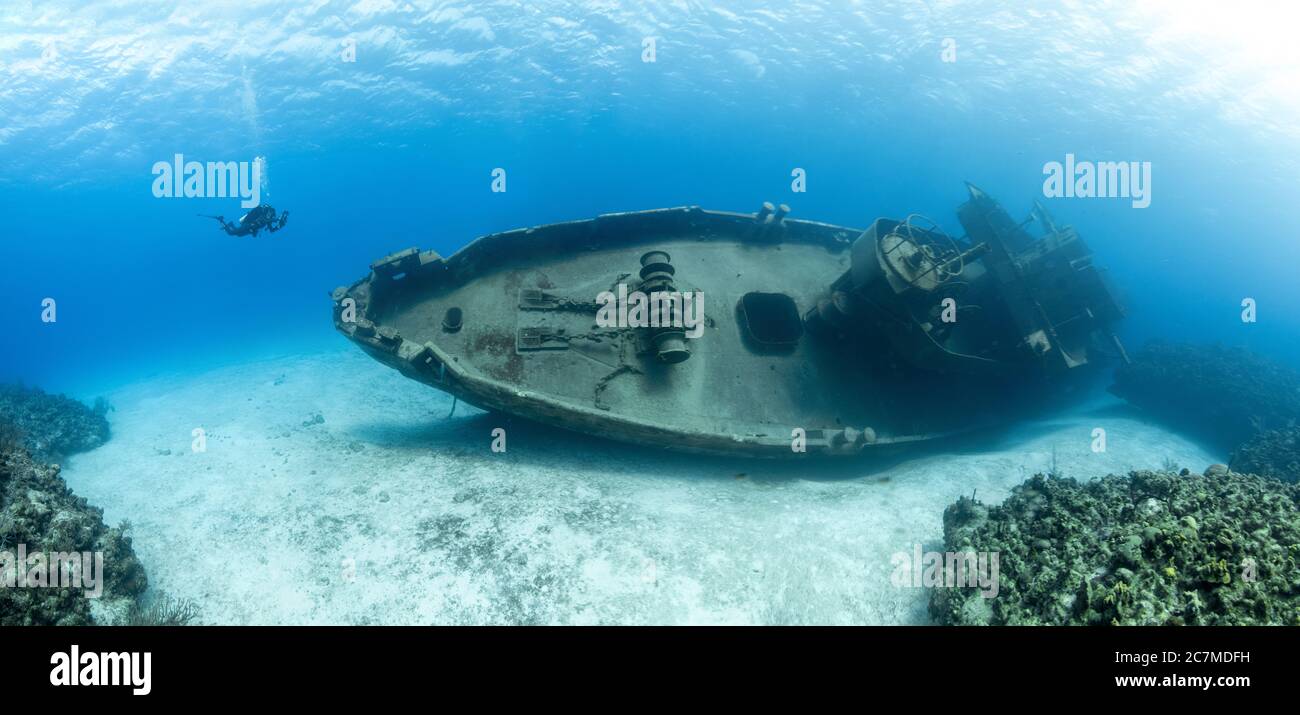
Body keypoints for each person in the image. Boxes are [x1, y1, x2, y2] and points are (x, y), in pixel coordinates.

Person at [202, 204, 289, 237]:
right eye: (271, 214)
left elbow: (271, 230)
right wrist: (277, 219)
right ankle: (221, 220)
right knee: (232, 233)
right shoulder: (263, 213)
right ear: (269, 211)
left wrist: (280, 225)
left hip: (252, 228)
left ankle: (230, 224)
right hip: (249, 224)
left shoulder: (269, 218)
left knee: (238, 235)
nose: (271, 216)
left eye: (272, 215)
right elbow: (265, 220)